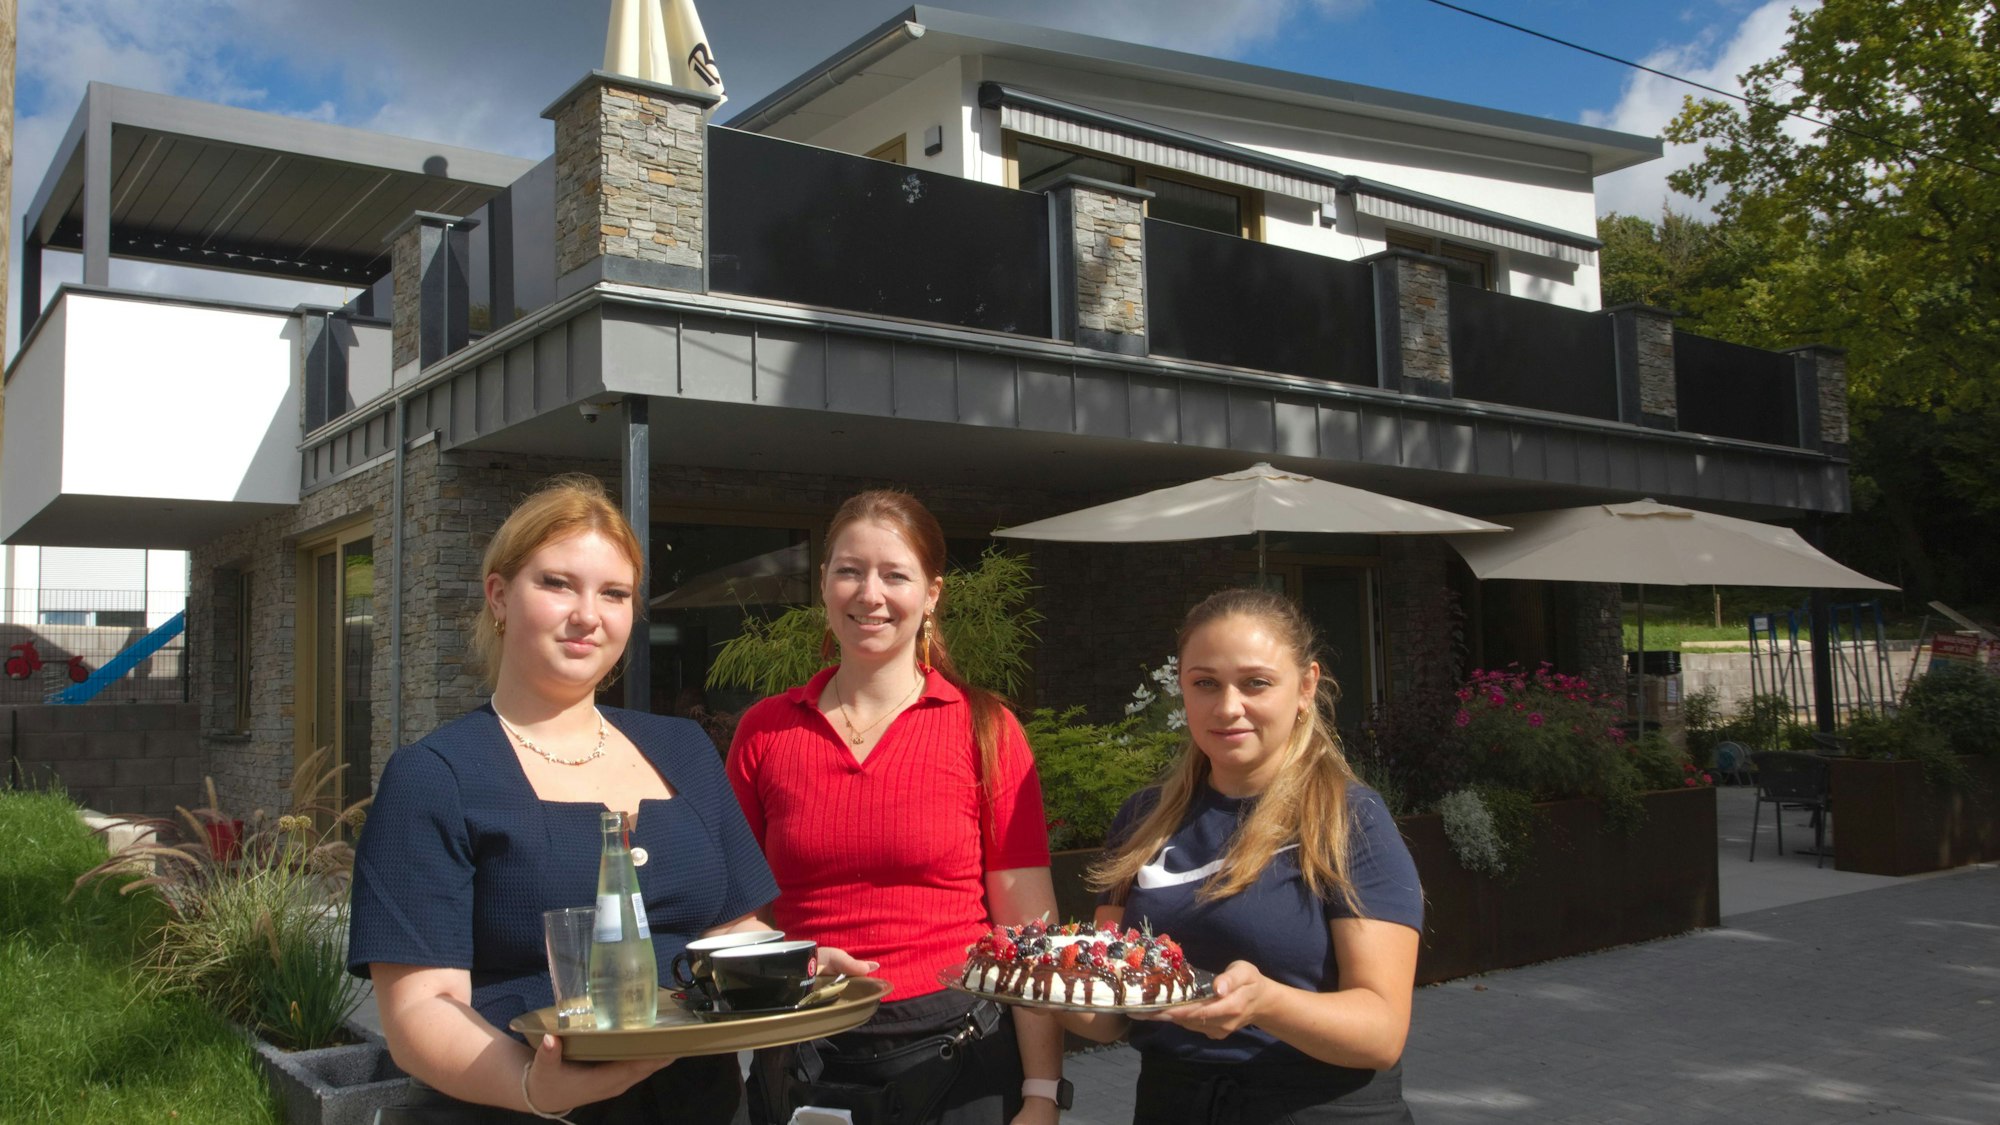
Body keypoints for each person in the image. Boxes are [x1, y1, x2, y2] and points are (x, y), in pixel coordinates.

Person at [348, 474, 782, 1123]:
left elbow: (731, 928)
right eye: (557, 584)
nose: (588, 614)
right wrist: (533, 1085)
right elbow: (421, 1006)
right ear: (499, 595)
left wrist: (791, 969)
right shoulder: (436, 775)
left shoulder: (684, 748)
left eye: (614, 593)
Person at [727, 490, 1066, 1125]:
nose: (869, 594)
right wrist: (789, 961)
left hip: (957, 1054)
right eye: (849, 570)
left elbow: (1028, 937)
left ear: (932, 593)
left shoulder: (986, 729)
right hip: (806, 1052)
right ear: (824, 583)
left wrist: (1043, 1091)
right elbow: (737, 918)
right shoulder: (765, 731)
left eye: (895, 575)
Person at [1062, 588, 1424, 1125]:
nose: (1228, 707)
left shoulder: (1350, 819)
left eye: (1256, 683)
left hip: (1317, 1109)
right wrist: (1036, 985)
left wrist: (1265, 1003)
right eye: (1204, 683)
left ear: (1306, 687)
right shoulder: (1143, 819)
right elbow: (1109, 1017)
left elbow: (1382, 1032)